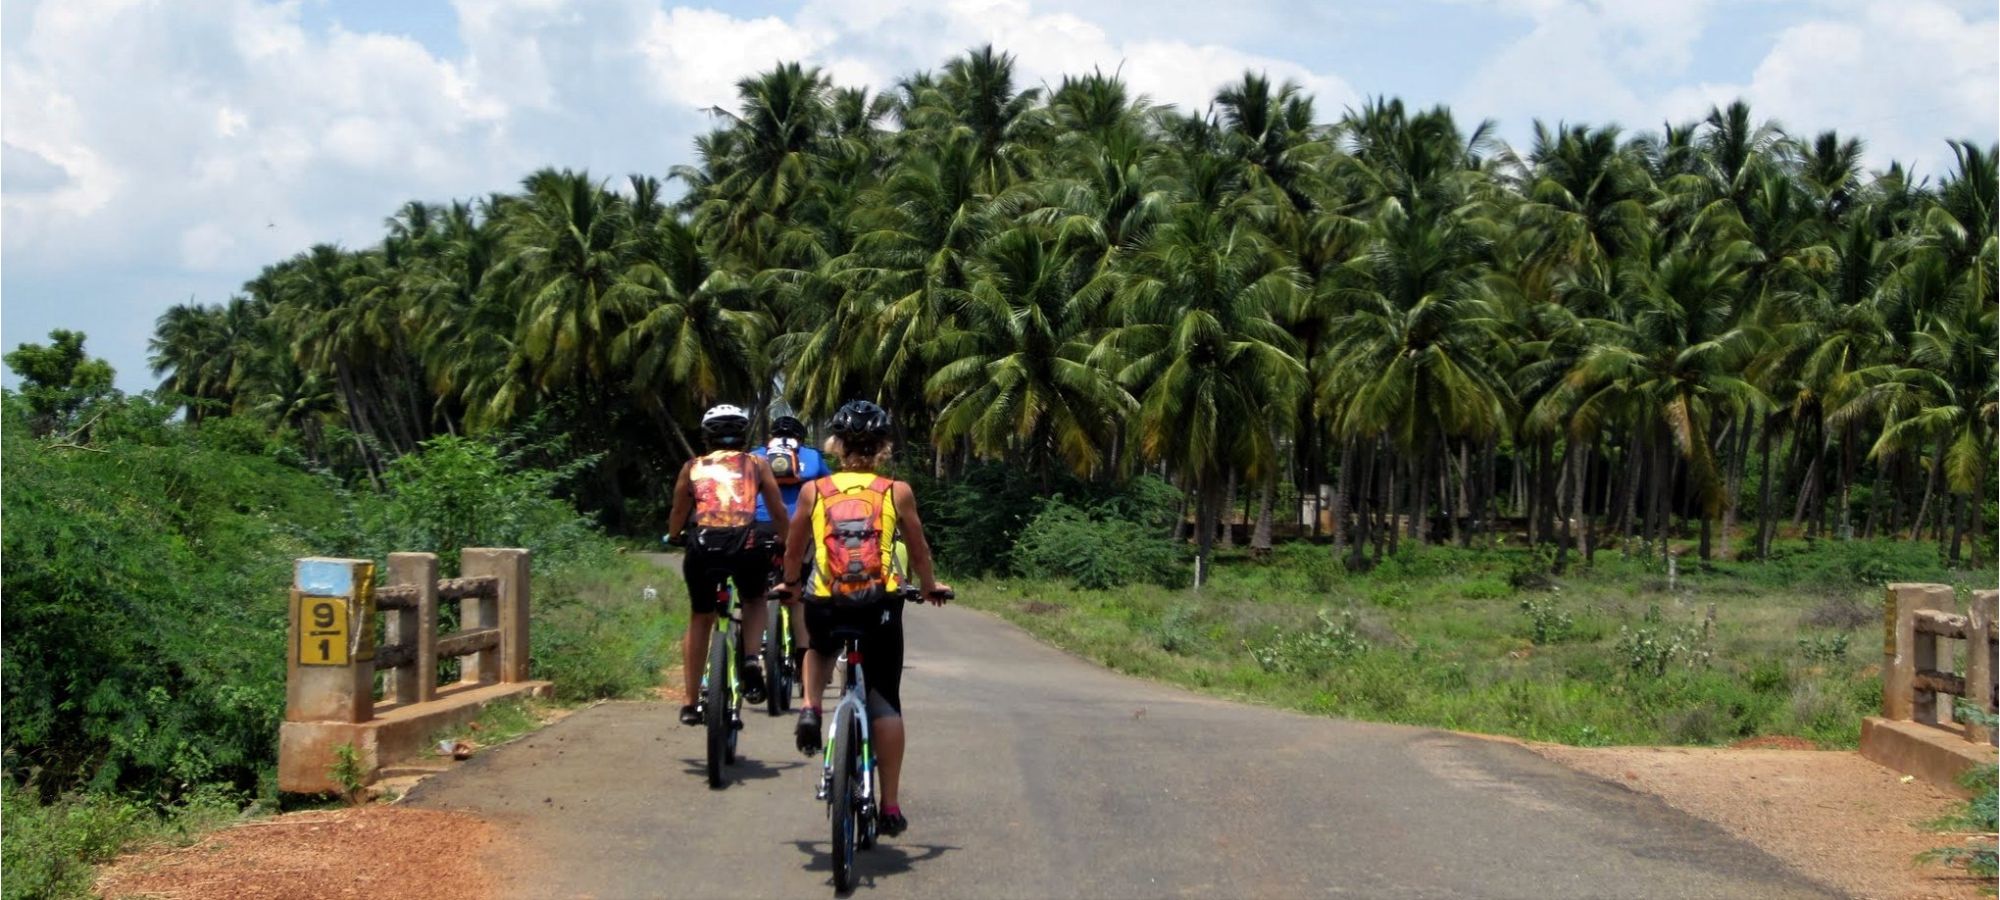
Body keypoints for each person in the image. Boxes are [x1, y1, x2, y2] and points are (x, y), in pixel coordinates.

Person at [773, 399, 951, 838]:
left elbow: (795, 548)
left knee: (817, 647)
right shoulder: (897, 491)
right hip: (880, 603)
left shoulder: (816, 491)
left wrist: (791, 584)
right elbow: (920, 549)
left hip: (826, 600)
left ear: (836, 445)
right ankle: (889, 805)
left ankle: (812, 706)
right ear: (883, 447)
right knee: (885, 697)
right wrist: (929, 586)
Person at [667, 404, 791, 725]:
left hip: (703, 545)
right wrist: (787, 542)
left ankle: (691, 702)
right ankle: (751, 658)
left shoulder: (692, 467)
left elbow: (679, 513)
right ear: (743, 435)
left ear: (707, 437)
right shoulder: (757, 464)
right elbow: (777, 511)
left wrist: (674, 535)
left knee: (700, 617)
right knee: (754, 598)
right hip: (746, 544)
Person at [751, 414, 828, 675]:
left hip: (760, 526)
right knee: (798, 596)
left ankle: (749, 651)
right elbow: (829, 490)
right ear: (801, 438)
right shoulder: (812, 456)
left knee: (754, 594)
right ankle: (803, 660)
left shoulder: (755, 456)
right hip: (800, 530)